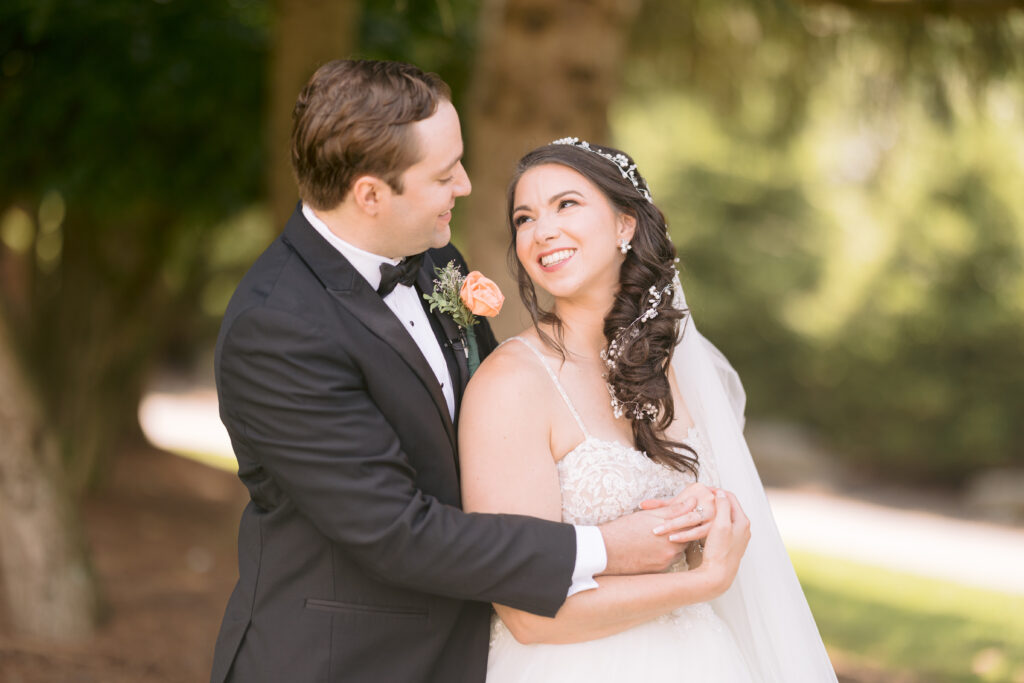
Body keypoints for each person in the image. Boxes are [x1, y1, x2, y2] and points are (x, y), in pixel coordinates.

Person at [209, 61, 705, 683]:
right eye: (445, 174)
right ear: (370, 194)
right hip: (345, 660)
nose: (467, 186)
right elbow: (396, 532)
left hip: (477, 646)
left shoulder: (433, 253)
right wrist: (606, 547)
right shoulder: (276, 329)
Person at [459, 138, 838, 682]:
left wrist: (713, 525)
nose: (542, 231)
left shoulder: (679, 366)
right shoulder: (512, 383)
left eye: (566, 204)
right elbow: (525, 614)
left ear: (625, 225)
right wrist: (701, 582)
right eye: (524, 217)